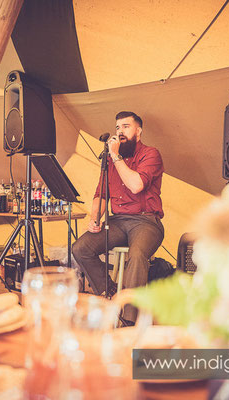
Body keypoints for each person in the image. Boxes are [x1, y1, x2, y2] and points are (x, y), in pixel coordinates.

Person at [72, 111, 164, 323]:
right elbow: (101, 194)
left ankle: (129, 319)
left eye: (126, 127)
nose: (120, 132)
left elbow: (136, 185)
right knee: (80, 248)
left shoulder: (151, 154)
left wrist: (116, 156)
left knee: (138, 254)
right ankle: (113, 295)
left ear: (138, 131)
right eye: (117, 128)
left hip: (146, 221)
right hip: (118, 221)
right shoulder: (110, 160)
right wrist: (94, 218)